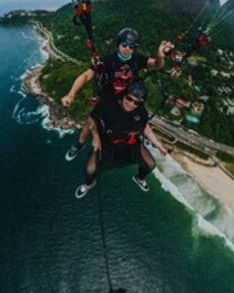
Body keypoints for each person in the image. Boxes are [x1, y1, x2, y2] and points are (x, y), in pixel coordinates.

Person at [63, 27, 172, 161]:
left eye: (131, 47)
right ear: (118, 44)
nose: (127, 49)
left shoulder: (137, 59)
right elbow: (86, 75)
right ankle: (79, 144)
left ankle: (135, 143)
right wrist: (71, 94)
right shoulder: (107, 60)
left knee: (141, 120)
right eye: (124, 45)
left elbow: (156, 65)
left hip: (129, 98)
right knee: (91, 121)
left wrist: (160, 55)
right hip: (109, 98)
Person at [74, 81, 168, 198]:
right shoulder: (108, 104)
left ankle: (139, 178)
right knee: (90, 169)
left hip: (129, 142)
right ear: (123, 95)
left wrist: (159, 146)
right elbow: (92, 121)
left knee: (150, 164)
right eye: (129, 99)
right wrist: (96, 136)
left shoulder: (140, 112)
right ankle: (88, 184)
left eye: (136, 103)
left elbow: (145, 128)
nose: (131, 104)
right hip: (108, 141)